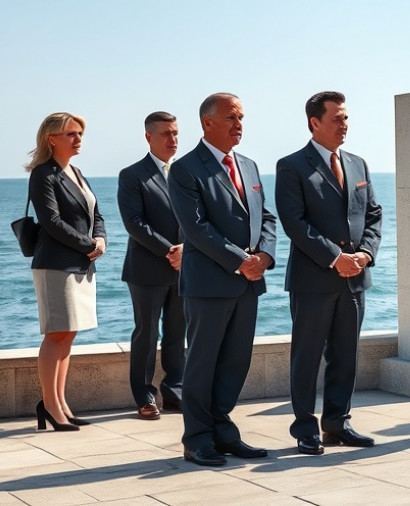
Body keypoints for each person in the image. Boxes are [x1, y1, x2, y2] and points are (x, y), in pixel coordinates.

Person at [168, 93, 277, 466]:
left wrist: (264, 255)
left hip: (248, 283)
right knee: (202, 364)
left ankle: (223, 431)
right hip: (209, 284)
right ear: (207, 122)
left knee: (235, 362)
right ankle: (197, 438)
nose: (239, 124)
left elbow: (267, 217)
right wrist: (240, 261)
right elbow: (195, 229)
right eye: (231, 118)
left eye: (241, 117)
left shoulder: (248, 165)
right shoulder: (185, 169)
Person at [275, 91, 382, 456]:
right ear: (314, 122)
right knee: (307, 357)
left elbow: (373, 215)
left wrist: (365, 253)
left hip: (355, 279)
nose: (344, 125)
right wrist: (335, 257)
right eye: (337, 118)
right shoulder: (291, 166)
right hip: (314, 279)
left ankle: (338, 423)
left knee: (346, 354)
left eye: (346, 118)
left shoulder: (358, 164)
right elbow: (295, 222)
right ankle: (305, 428)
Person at [27, 112, 107, 431]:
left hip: (80, 264)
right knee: (56, 334)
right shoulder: (43, 174)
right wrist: (89, 244)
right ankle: (50, 406)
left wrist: (99, 238)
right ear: (52, 138)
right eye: (71, 134)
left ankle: (60, 403)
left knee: (68, 334)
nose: (78, 139)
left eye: (80, 134)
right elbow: (51, 222)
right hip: (55, 264)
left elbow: (95, 212)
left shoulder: (76, 171)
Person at [118, 111, 186, 420]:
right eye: (165, 134)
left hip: (185, 267)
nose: (173, 139)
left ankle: (175, 390)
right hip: (147, 270)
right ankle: (145, 396)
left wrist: (188, 251)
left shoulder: (187, 173)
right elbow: (134, 223)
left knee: (177, 332)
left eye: (175, 133)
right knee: (146, 334)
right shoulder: (132, 175)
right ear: (149, 137)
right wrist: (170, 250)